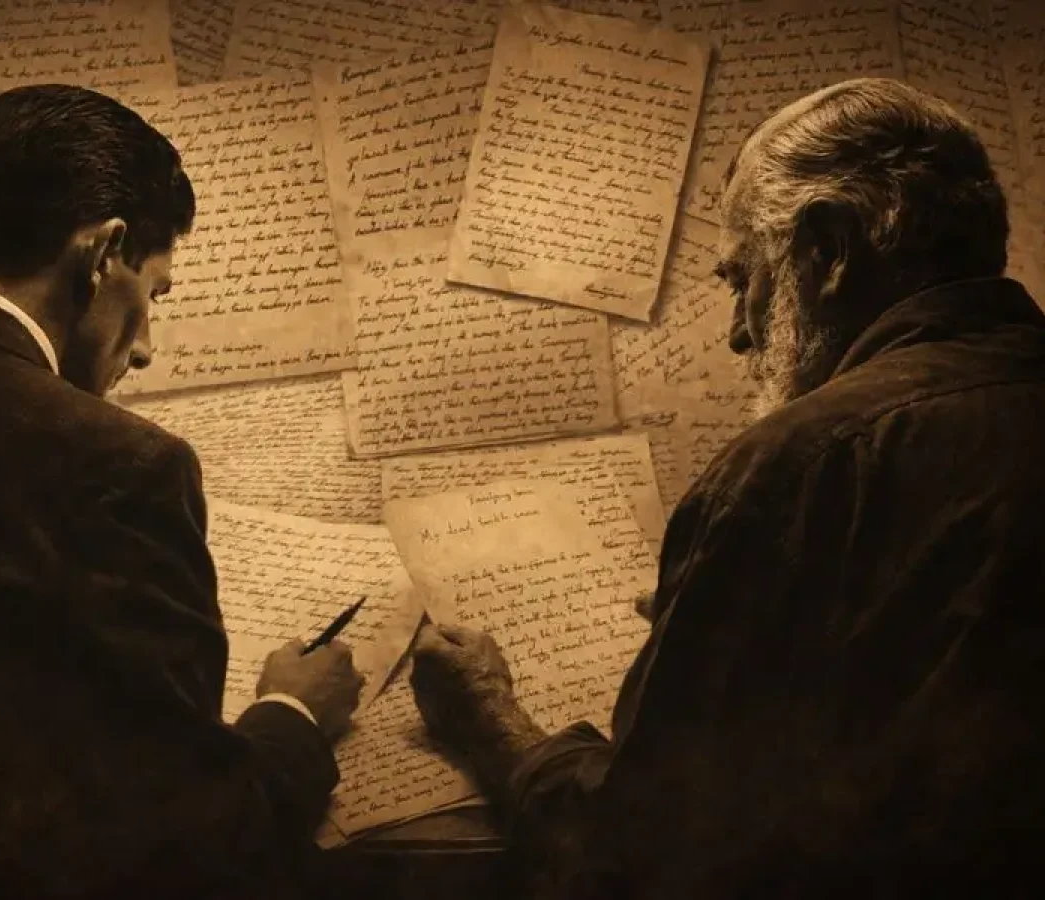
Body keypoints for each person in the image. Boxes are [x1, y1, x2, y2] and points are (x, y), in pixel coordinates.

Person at [410, 77, 1045, 898]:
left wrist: (492, 723)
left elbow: (638, 858)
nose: (740, 332)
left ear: (828, 249)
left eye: (744, 278)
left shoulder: (801, 463)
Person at [0, 85, 362, 899]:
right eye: (153, 294)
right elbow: (204, 843)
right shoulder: (126, 466)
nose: (146, 348)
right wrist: (291, 717)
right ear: (103, 254)